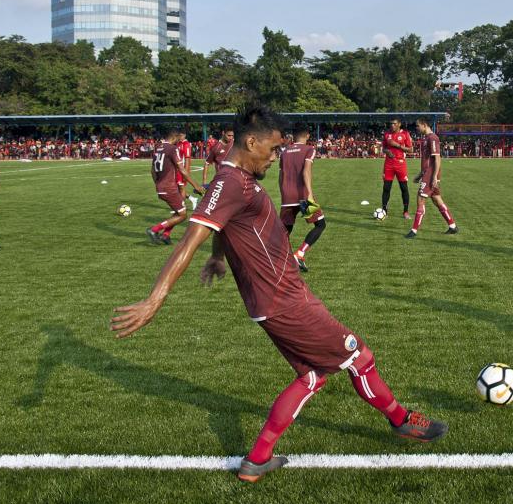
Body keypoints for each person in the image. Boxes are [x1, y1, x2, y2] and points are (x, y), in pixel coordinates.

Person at [112, 107, 447, 482]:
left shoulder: (235, 179)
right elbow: (191, 238)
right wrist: (154, 299)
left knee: (311, 377)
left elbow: (220, 227)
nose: (274, 157)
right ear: (250, 142)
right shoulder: (231, 182)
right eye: (271, 150)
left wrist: (219, 258)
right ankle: (402, 421)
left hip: (275, 299)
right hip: (283, 301)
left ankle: (257, 460)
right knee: (359, 356)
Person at [279, 125, 325, 272]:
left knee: (285, 230)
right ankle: (299, 253)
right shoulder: (309, 149)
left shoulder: (284, 152)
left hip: (287, 196)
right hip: (303, 197)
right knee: (320, 225)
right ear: (306, 136)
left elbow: (281, 176)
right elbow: (306, 171)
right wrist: (309, 194)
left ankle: (279, 260)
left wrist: (283, 193)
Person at [147, 128, 203, 245]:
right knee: (182, 215)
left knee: (178, 211)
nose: (179, 140)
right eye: (178, 138)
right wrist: (196, 186)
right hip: (169, 188)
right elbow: (182, 170)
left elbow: (152, 171)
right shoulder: (173, 149)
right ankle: (154, 230)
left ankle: (166, 235)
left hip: (162, 186)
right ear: (174, 137)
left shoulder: (159, 148)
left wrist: (158, 184)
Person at [406, 117, 457, 238]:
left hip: (430, 174)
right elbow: (427, 161)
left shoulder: (433, 138)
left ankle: (414, 230)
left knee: (420, 199)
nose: (417, 129)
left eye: (418, 126)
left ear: (424, 125)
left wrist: (434, 177)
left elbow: (437, 158)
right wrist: (420, 175)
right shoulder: (426, 139)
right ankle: (453, 226)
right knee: (437, 200)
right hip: (427, 173)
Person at [381, 118, 413, 219]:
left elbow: (410, 150)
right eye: (391, 123)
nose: (392, 125)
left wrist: (397, 145)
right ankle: (384, 210)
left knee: (404, 188)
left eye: (394, 124)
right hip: (388, 164)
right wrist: (387, 152)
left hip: (400, 164)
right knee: (386, 188)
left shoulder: (405, 134)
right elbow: (383, 148)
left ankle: (406, 212)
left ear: (399, 124)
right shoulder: (386, 134)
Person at [175, 131, 197, 210]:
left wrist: (186, 173)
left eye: (181, 135)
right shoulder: (178, 143)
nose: (179, 136)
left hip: (182, 170)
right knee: (178, 188)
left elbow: (187, 159)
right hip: (177, 169)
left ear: (184, 135)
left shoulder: (186, 144)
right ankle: (192, 199)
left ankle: (182, 208)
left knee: (181, 188)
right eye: (178, 135)